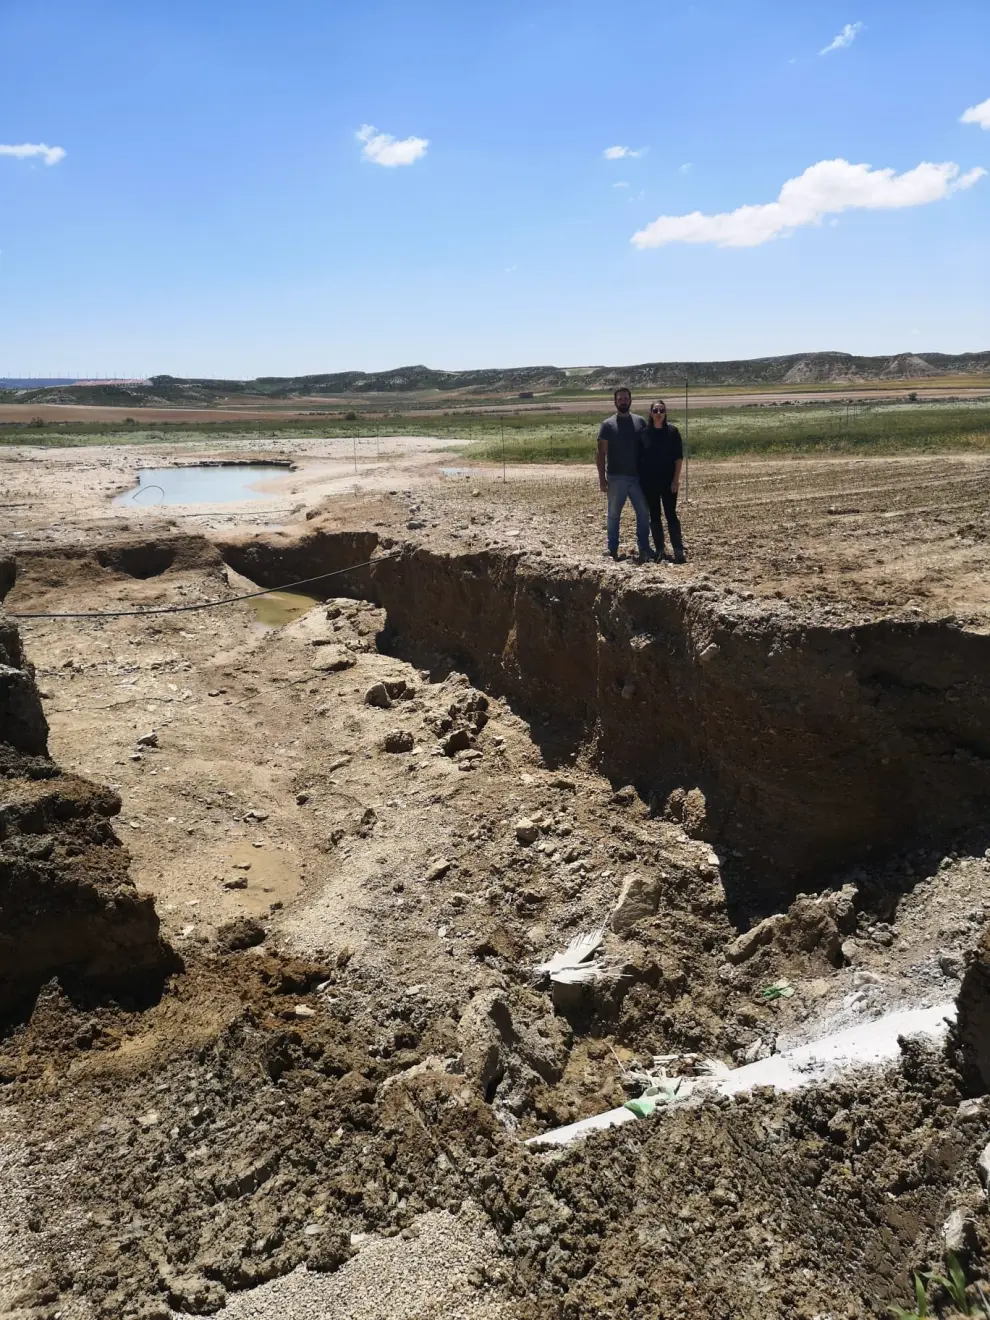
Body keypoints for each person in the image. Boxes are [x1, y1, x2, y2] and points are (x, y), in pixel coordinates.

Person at [596, 386, 652, 562]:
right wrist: (602, 479)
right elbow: (600, 454)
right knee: (613, 514)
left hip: (637, 478)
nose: (623, 401)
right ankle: (612, 548)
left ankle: (644, 547)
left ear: (630, 400)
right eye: (620, 399)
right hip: (616, 477)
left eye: (626, 398)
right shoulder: (607, 425)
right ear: (615, 401)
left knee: (644, 513)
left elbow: (648, 448)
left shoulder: (640, 422)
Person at [640, 399, 685, 563]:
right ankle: (660, 549)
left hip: (668, 482)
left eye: (661, 410)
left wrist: (675, 480)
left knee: (671, 514)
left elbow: (678, 458)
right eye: (655, 410)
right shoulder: (644, 434)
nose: (658, 414)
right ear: (650, 413)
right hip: (650, 483)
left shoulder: (673, 432)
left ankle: (678, 549)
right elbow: (640, 459)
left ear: (665, 413)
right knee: (654, 516)